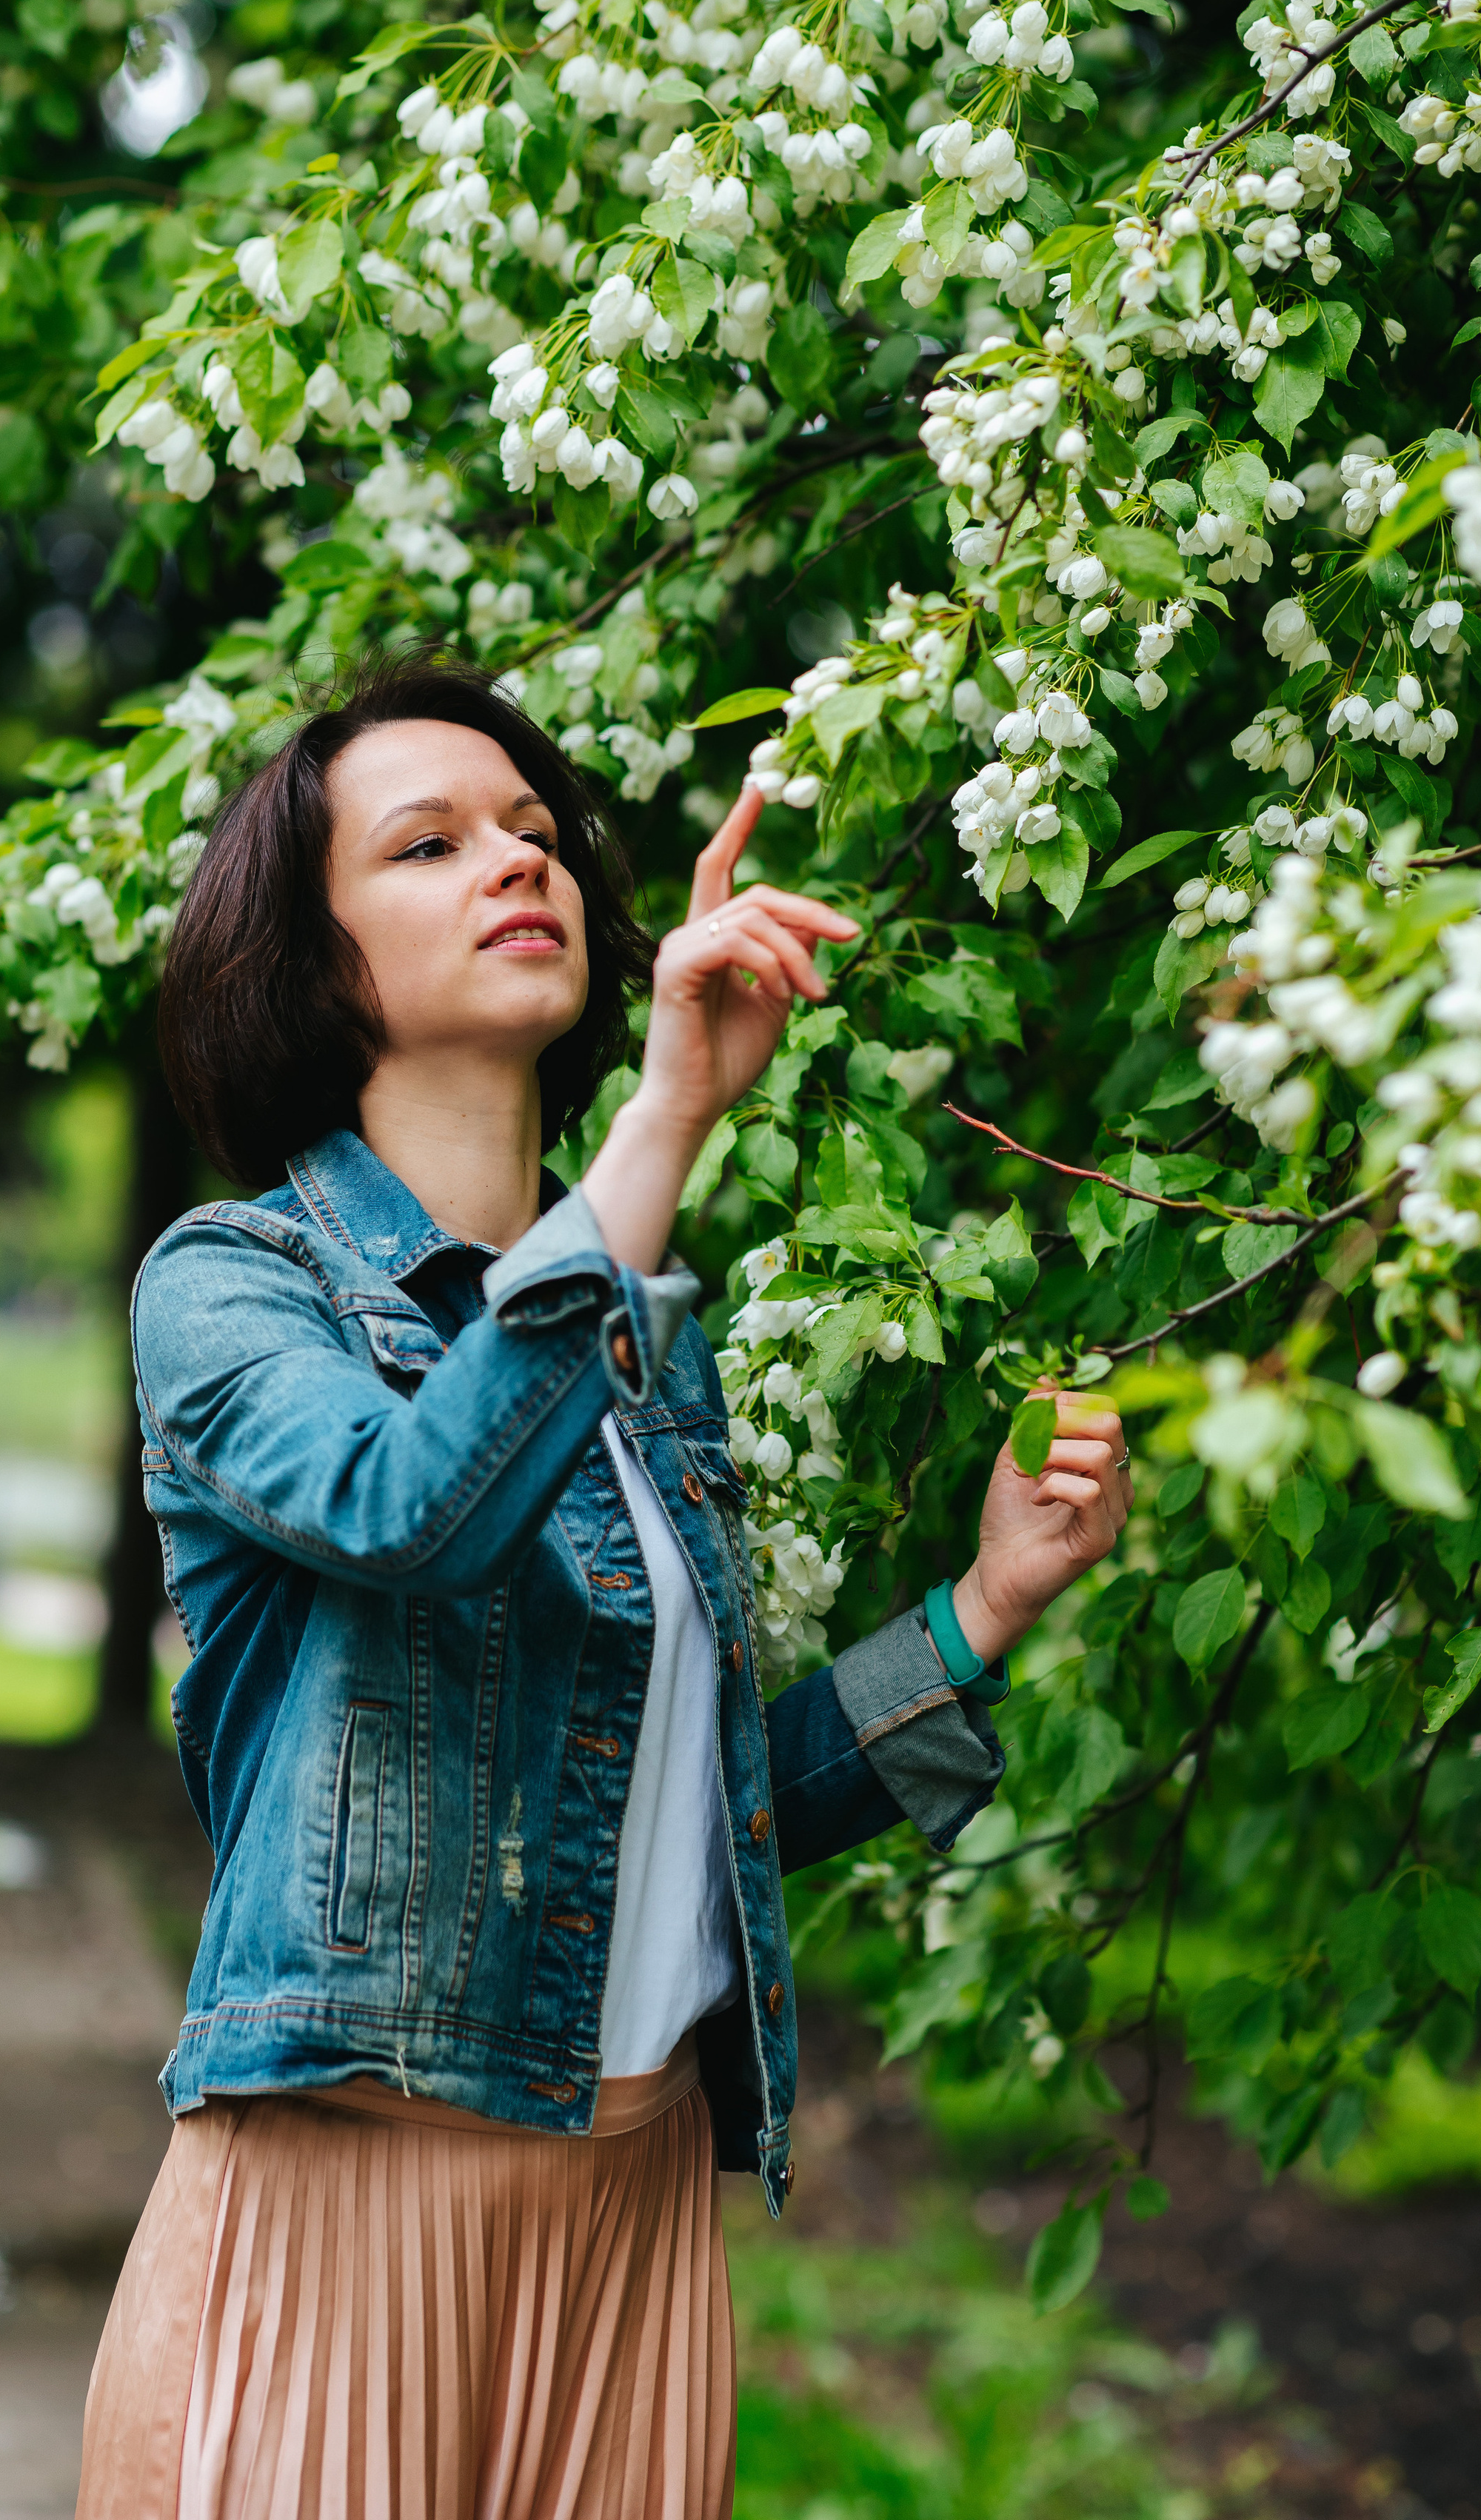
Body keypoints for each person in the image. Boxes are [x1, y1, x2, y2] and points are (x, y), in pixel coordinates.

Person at [76, 655, 1131, 2520]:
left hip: (632, 2202)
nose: (517, 862)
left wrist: (985, 1602)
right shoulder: (230, 1285)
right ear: (317, 969)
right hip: (359, 2167)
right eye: (429, 843)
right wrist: (663, 1125)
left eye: (535, 832)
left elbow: (687, 1818)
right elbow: (412, 1512)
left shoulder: (646, 1349)